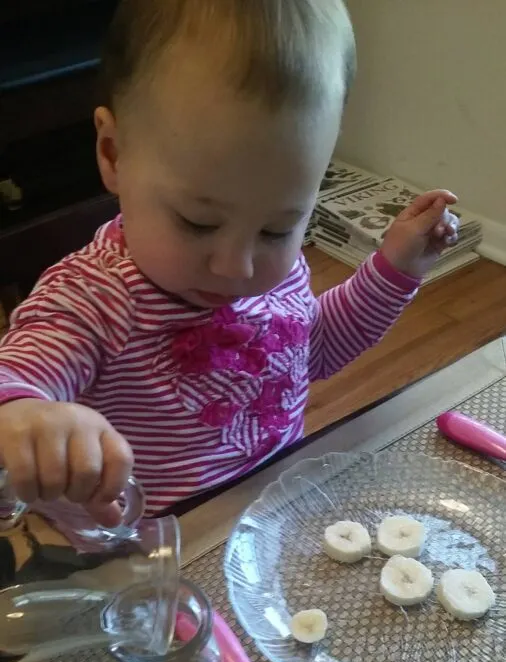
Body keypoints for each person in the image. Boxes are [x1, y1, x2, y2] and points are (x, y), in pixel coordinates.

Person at [0, 0, 458, 526]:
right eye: (198, 222)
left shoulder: (280, 274)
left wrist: (393, 271)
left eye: (276, 229)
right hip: (151, 550)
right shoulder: (92, 298)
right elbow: (18, 371)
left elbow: (313, 351)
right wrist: (26, 414)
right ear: (113, 154)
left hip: (272, 503)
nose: (237, 267)